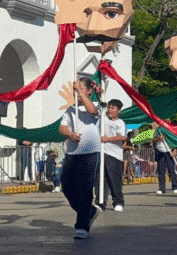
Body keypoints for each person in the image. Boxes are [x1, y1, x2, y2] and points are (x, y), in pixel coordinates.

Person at [58, 77, 102, 240]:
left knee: (84, 188)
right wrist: (70, 134)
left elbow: (92, 111)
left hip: (89, 152)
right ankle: (90, 211)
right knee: (67, 186)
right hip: (72, 153)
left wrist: (80, 93)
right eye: (75, 89)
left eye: (81, 88)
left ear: (89, 91)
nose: (77, 91)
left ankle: (82, 226)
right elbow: (62, 127)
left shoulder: (97, 105)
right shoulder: (71, 109)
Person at [96, 99, 127, 211]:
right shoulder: (103, 119)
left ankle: (118, 202)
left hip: (114, 155)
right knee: (100, 180)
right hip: (102, 152)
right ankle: (100, 202)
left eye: (113, 108)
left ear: (118, 111)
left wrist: (107, 139)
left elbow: (122, 137)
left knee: (114, 180)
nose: (110, 110)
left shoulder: (120, 123)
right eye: (109, 107)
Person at [153, 125, 177, 194]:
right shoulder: (157, 130)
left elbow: (175, 140)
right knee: (161, 170)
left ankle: (175, 186)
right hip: (160, 151)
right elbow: (153, 139)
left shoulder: (170, 130)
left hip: (169, 151)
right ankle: (162, 188)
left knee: (171, 169)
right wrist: (159, 138)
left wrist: (175, 150)